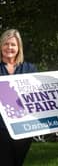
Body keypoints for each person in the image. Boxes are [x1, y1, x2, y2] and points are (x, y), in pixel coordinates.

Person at [0, 29, 37, 166]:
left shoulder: (30, 68)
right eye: (6, 44)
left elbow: (36, 96)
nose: (9, 47)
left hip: (24, 127)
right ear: (1, 46)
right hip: (1, 127)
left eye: (13, 45)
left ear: (18, 47)